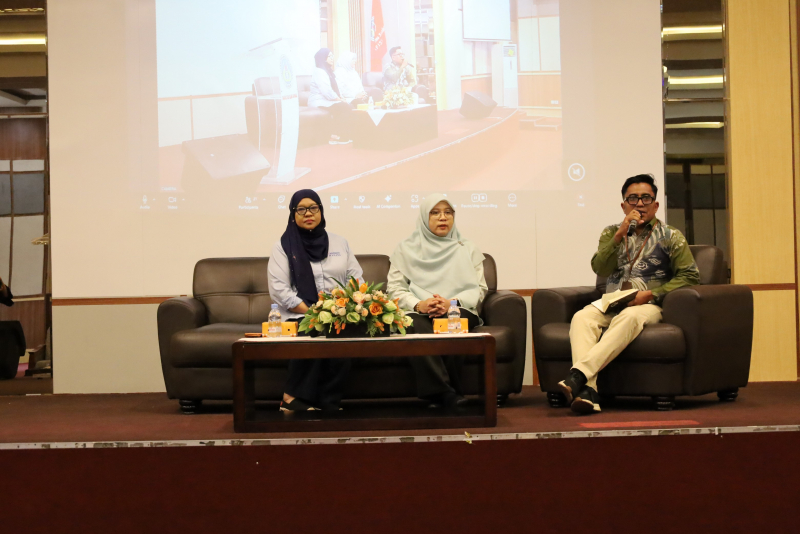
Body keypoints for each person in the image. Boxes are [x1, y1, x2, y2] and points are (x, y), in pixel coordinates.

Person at [559, 174, 700, 414]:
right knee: (581, 318)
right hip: (613, 301)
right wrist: (619, 236)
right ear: (624, 205)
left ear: (656, 205)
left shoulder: (671, 236)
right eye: (633, 198)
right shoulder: (611, 232)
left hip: (648, 304)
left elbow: (690, 276)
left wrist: (652, 294)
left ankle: (578, 376)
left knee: (629, 317)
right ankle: (588, 392)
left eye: (646, 198)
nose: (640, 204)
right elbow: (600, 268)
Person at [388, 194, 488, 409]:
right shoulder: (405, 249)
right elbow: (394, 289)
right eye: (435, 213)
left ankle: (440, 395)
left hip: (458, 307)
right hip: (418, 310)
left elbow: (479, 289)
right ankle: (448, 393)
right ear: (425, 217)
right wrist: (419, 304)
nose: (443, 218)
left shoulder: (467, 248)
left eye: (448, 212)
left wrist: (451, 303)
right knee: (415, 325)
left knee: (451, 321)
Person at [268, 189, 364, 411]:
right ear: (293, 214)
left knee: (345, 334)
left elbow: (356, 280)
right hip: (299, 313)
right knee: (311, 329)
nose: (308, 213)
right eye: (301, 209)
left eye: (313, 207)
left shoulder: (340, 243)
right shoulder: (283, 246)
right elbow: (279, 289)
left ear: (321, 210)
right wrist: (313, 312)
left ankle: (328, 400)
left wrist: (342, 307)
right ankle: (291, 398)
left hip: (338, 312)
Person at [308, 48, 353, 145]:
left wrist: (341, 98)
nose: (332, 58)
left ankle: (345, 135)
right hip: (318, 101)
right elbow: (326, 91)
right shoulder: (319, 71)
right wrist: (339, 99)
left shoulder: (329, 71)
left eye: (333, 56)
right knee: (343, 107)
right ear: (323, 58)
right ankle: (339, 136)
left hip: (328, 101)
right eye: (330, 56)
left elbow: (336, 88)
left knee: (348, 105)